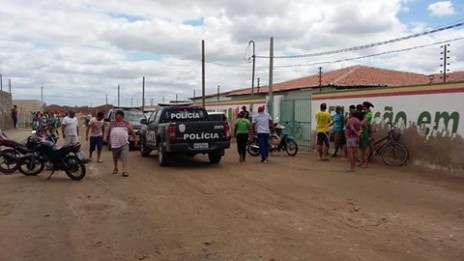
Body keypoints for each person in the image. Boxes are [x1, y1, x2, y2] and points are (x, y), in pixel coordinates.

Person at [104, 110, 137, 177]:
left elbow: (132, 132)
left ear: (121, 116)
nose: (115, 116)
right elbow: (107, 130)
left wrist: (135, 140)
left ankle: (124, 171)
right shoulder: (112, 123)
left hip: (124, 143)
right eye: (115, 115)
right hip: (114, 143)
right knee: (115, 157)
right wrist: (105, 137)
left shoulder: (127, 123)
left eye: (117, 115)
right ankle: (116, 168)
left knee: (124, 157)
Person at [358, 101, 374, 168]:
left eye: (363, 105)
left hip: (365, 130)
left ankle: (366, 163)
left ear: (365, 106)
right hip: (362, 129)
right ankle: (362, 161)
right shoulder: (364, 113)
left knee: (365, 147)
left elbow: (363, 123)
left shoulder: (369, 114)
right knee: (361, 147)